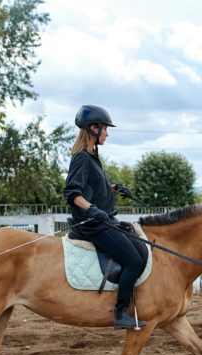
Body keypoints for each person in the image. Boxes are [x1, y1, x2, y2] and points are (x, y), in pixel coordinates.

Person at [64, 104, 146, 330]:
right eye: (105, 129)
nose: (107, 133)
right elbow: (72, 193)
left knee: (140, 249)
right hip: (92, 225)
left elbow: (93, 188)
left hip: (103, 220)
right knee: (134, 260)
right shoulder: (81, 157)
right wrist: (90, 209)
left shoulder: (92, 157)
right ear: (93, 128)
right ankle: (120, 313)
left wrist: (113, 188)